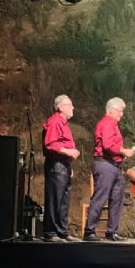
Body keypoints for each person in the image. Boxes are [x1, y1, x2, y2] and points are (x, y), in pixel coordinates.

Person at [83, 97, 135, 242]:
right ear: (111, 110)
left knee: (117, 199)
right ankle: (89, 231)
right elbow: (107, 145)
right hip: (105, 164)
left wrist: (121, 155)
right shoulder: (107, 123)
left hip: (115, 166)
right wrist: (124, 151)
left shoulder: (113, 124)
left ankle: (112, 232)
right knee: (100, 198)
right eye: (120, 111)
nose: (122, 114)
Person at [42, 94, 81, 242]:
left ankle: (62, 231)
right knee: (54, 199)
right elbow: (50, 144)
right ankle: (51, 233)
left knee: (64, 200)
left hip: (63, 164)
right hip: (56, 164)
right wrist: (69, 152)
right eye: (69, 105)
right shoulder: (55, 121)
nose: (73, 107)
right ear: (60, 107)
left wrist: (68, 162)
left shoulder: (64, 123)